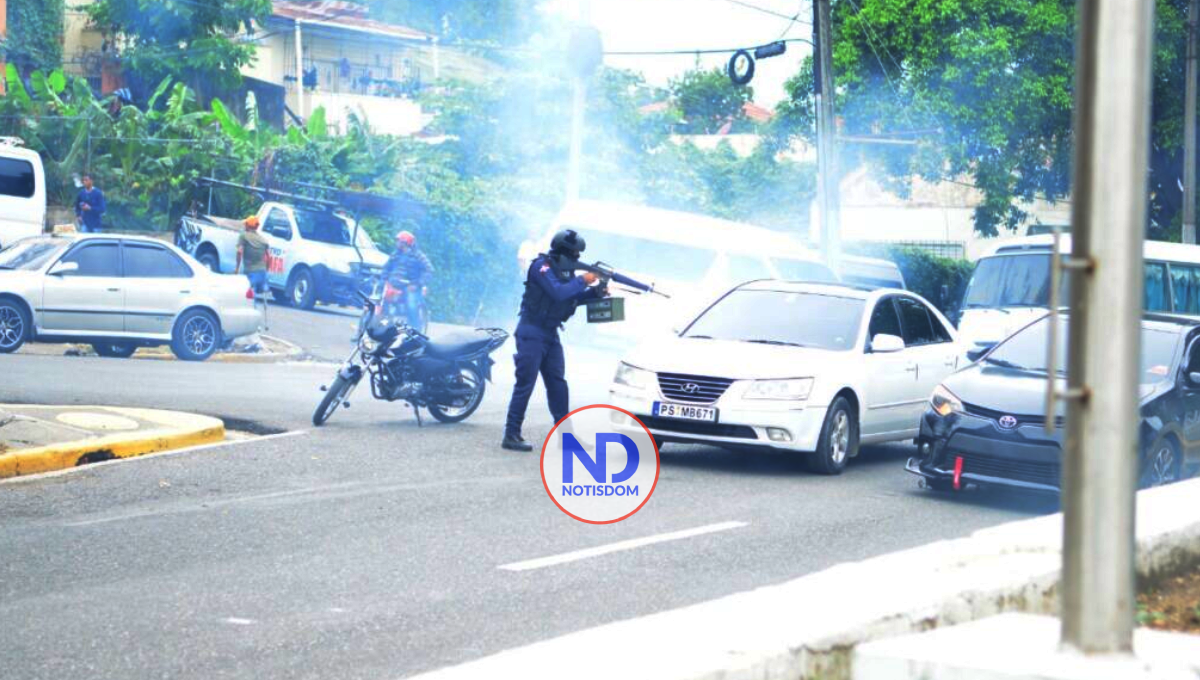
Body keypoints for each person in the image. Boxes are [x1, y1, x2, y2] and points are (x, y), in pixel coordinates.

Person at [502, 229, 606, 452]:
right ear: (565, 251)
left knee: (558, 385)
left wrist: (594, 293)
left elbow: (570, 299)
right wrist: (582, 280)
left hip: (550, 333)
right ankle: (511, 433)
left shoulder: (565, 274)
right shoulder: (542, 267)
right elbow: (559, 293)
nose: (577, 259)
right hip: (532, 331)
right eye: (575, 255)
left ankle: (567, 438)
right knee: (525, 384)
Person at [383, 231, 434, 329]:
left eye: (399, 241)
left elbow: (429, 270)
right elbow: (386, 268)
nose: (396, 243)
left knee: (411, 306)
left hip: (410, 287)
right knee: (377, 304)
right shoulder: (395, 255)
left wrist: (416, 284)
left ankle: (416, 331)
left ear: (405, 243)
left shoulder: (418, 255)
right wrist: (384, 279)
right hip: (393, 285)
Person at [235, 216, 270, 328]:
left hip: (251, 273)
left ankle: (253, 325)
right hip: (262, 273)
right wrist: (266, 270)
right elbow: (268, 257)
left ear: (247, 226)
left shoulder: (243, 236)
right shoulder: (263, 240)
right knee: (262, 296)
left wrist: (237, 267)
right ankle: (263, 324)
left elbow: (240, 252)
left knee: (250, 298)